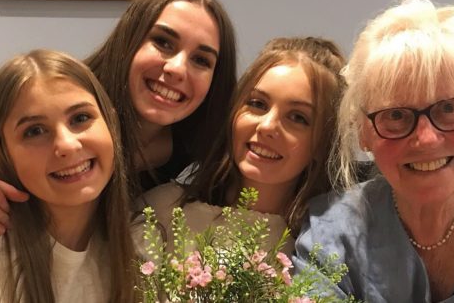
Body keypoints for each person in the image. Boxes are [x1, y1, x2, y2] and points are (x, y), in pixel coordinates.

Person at [0, 0, 237, 234]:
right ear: (130, 39)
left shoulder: (201, 141)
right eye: (163, 42)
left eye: (201, 60)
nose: (177, 69)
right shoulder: (59, 101)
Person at [294, 0, 454, 302]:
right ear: (363, 133)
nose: (426, 139)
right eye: (395, 115)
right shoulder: (331, 230)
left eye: (449, 107)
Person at [0, 50, 135, 302]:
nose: (67, 145)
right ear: (3, 152)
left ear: (110, 122)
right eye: (35, 131)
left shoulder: (143, 241)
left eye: (81, 118)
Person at [137, 37, 348, 254]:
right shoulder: (161, 213)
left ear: (323, 145)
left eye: (298, 118)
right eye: (257, 104)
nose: (267, 126)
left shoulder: (324, 248)